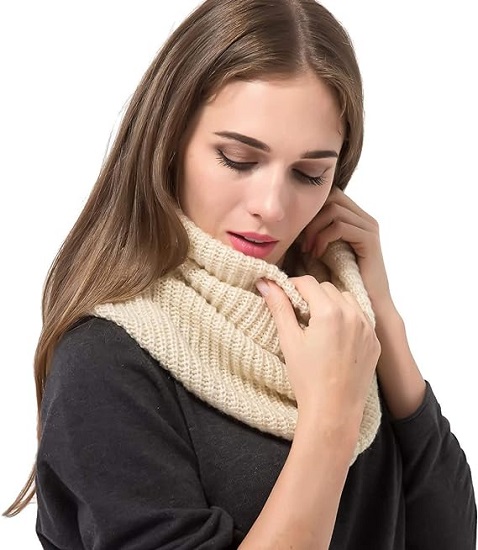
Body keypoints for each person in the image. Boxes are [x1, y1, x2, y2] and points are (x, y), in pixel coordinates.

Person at [4, 0, 476, 548]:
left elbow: (450, 537)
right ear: (169, 140)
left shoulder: (337, 318)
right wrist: (329, 422)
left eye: (309, 173)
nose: (271, 207)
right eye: (237, 158)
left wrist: (383, 316)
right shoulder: (106, 359)